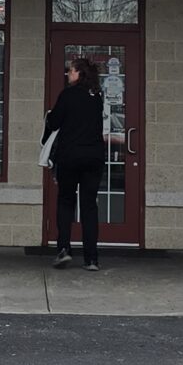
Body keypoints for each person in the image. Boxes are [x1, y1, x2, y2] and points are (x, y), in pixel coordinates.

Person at [45, 57, 114, 271]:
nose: (67, 74)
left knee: (66, 202)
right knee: (89, 206)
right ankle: (92, 259)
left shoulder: (67, 95)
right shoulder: (97, 97)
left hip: (70, 156)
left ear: (79, 73)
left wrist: (50, 116)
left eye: (71, 71)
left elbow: (54, 121)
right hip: (93, 156)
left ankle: (64, 249)